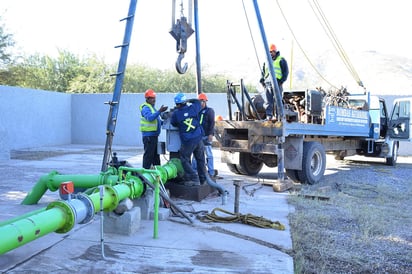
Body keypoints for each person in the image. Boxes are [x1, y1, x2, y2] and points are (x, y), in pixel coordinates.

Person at [170, 92, 207, 186]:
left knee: (184, 159)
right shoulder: (193, 108)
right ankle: (203, 179)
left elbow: (173, 123)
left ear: (177, 104)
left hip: (188, 141)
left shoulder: (176, 114)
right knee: (200, 159)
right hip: (198, 138)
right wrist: (189, 100)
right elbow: (197, 101)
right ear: (185, 101)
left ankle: (193, 178)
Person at [139, 89, 168, 169]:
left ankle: (158, 172)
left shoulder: (152, 108)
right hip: (148, 136)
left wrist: (166, 122)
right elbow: (150, 118)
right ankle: (145, 172)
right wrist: (159, 111)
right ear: (147, 99)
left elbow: (157, 120)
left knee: (155, 156)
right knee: (148, 155)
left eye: (154, 98)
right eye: (151, 98)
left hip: (154, 136)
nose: (154, 100)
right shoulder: (145, 108)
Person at [261, 43, 289, 120]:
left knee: (278, 100)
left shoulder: (281, 60)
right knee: (268, 101)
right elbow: (263, 72)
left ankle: (278, 116)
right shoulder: (266, 62)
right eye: (269, 52)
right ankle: (269, 116)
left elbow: (285, 72)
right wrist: (262, 80)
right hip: (267, 83)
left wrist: (281, 81)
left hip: (277, 83)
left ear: (275, 51)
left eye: (272, 52)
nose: (270, 53)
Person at [192, 93, 216, 178]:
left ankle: (211, 172)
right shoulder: (196, 111)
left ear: (205, 101)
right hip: (197, 136)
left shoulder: (209, 111)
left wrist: (210, 134)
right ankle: (194, 171)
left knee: (209, 154)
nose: (201, 103)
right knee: (195, 155)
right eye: (200, 101)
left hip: (206, 136)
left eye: (203, 101)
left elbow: (212, 123)